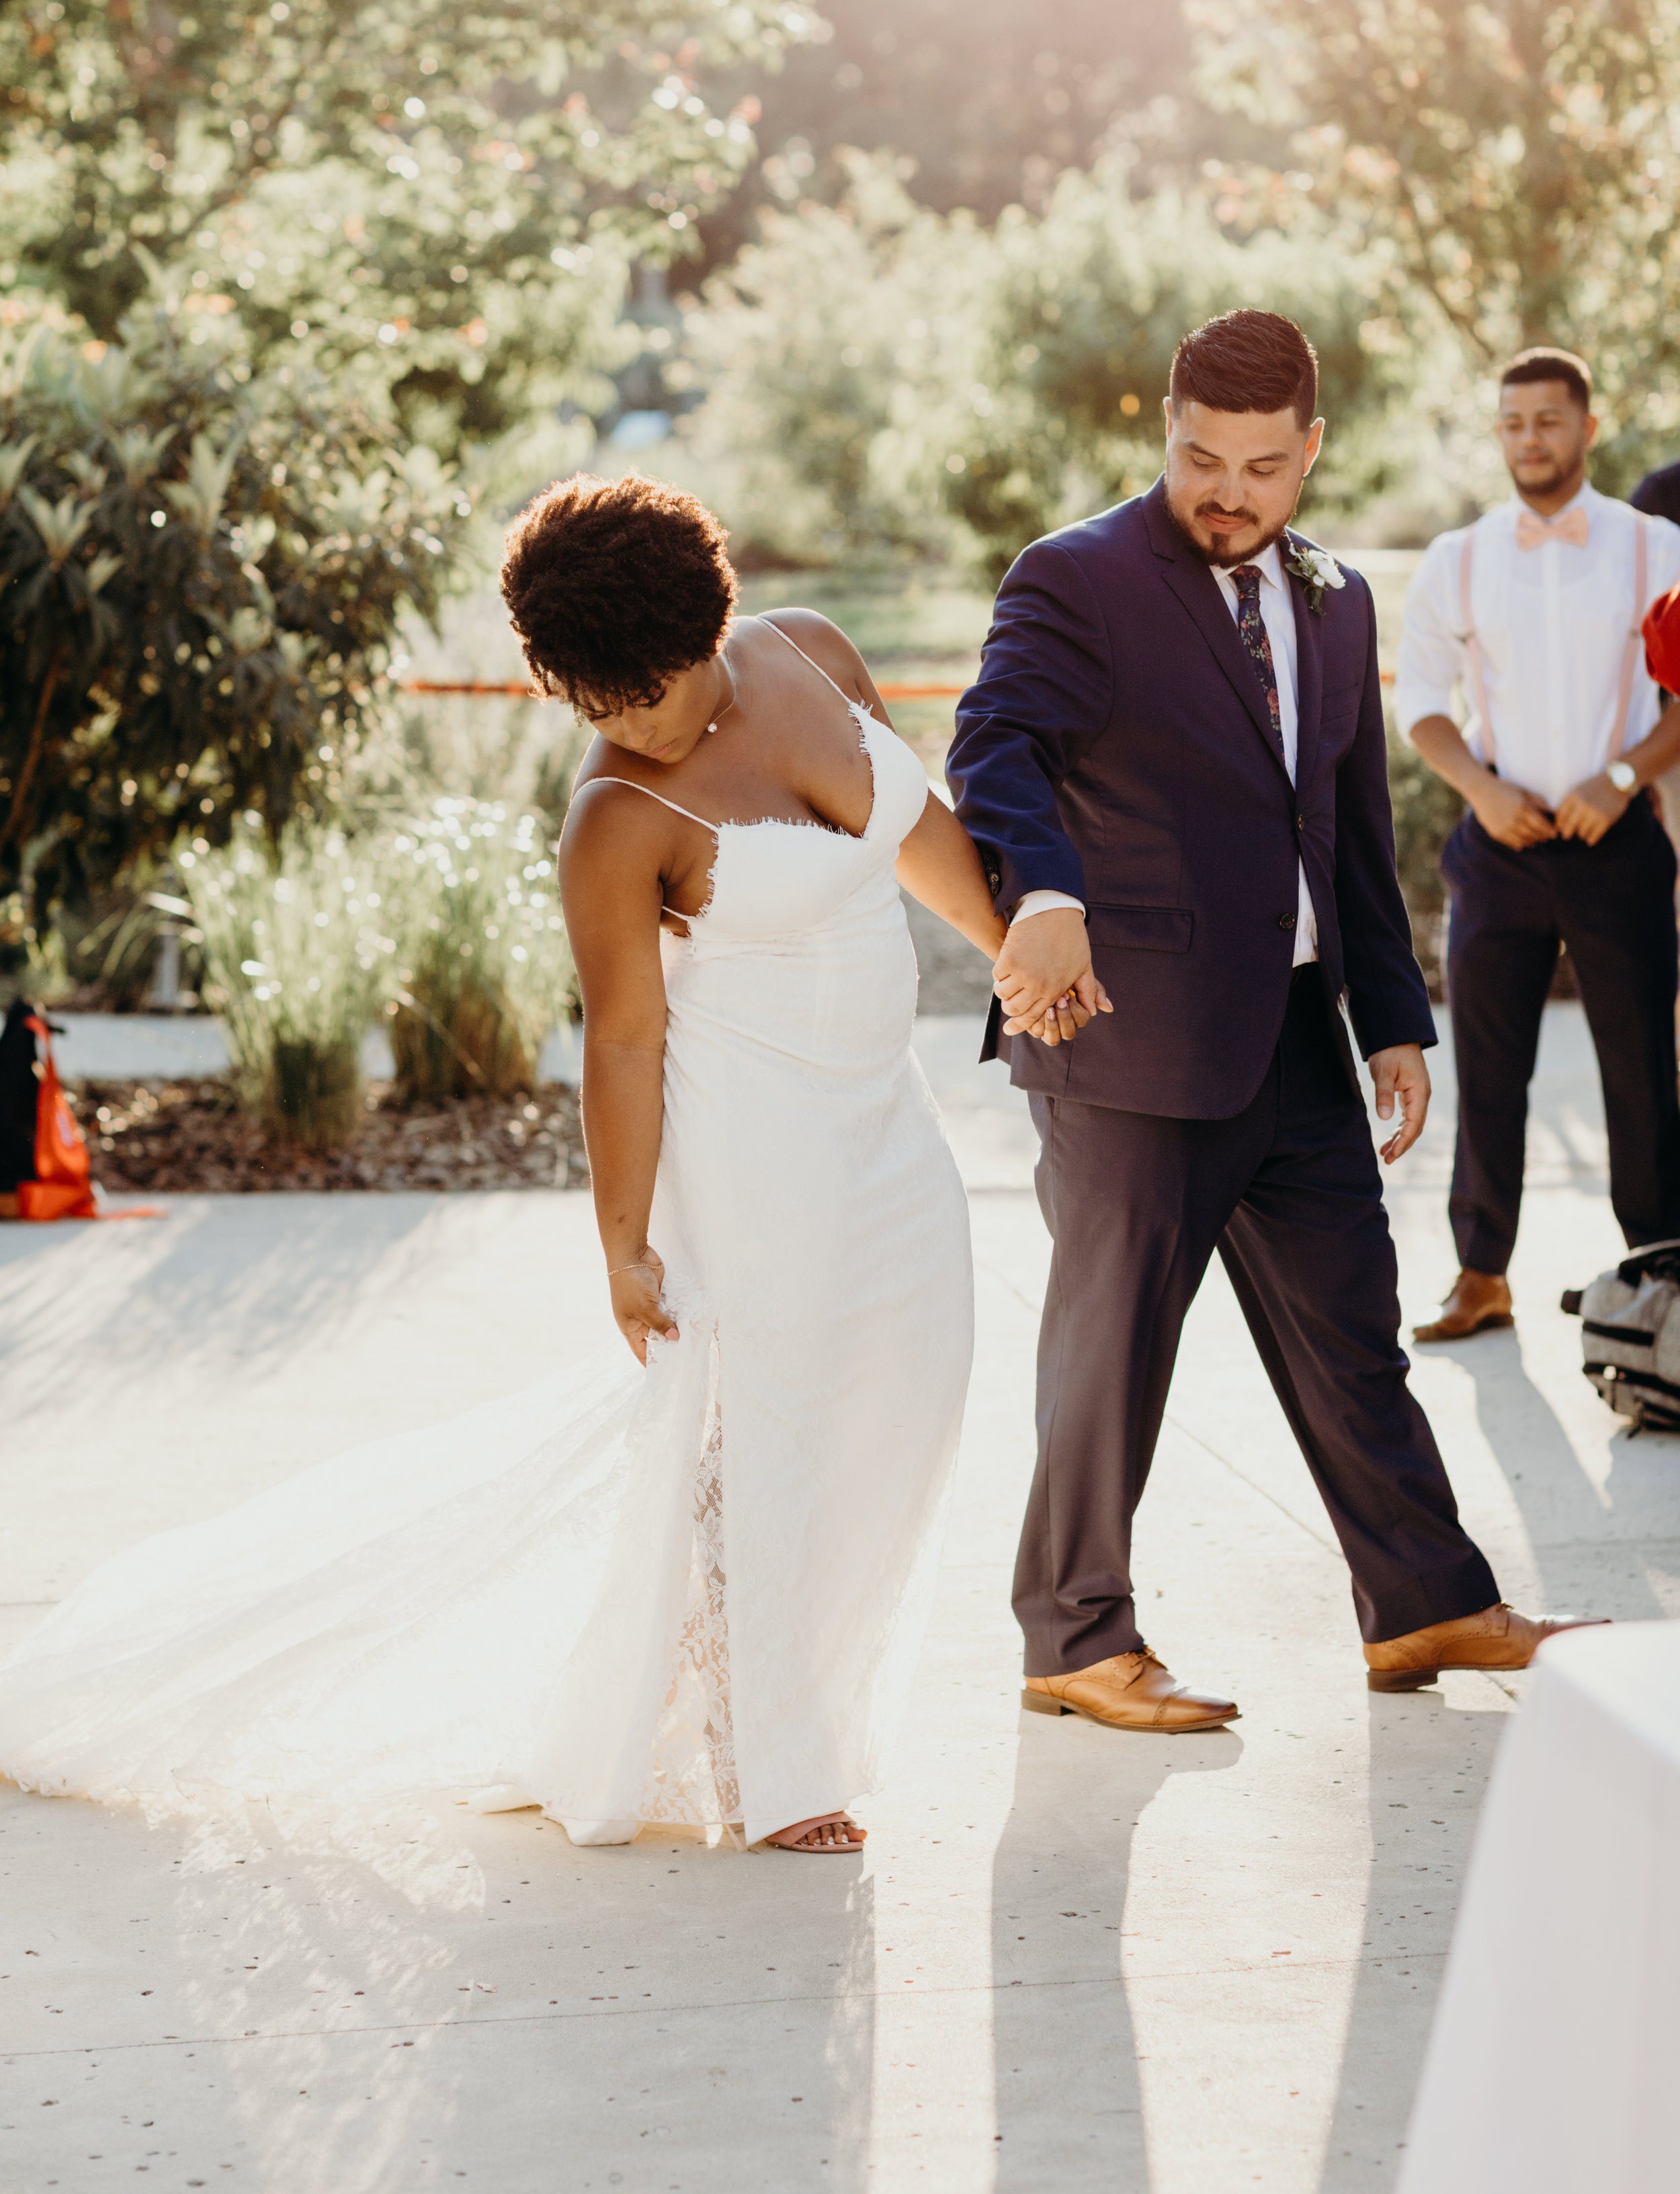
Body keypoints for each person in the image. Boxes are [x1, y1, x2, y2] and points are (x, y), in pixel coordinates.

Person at [0, 474, 1019, 1857]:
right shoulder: (614, 817)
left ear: (713, 625)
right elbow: (620, 1041)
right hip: (750, 1155)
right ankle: (773, 1757)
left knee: (901, 1405)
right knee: (768, 1433)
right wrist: (621, 1243)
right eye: (588, 700)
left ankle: (774, 1703)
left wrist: (1018, 949)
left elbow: (920, 839)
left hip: (884, 1130)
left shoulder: (812, 654)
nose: (617, 725)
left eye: (641, 692)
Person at [946, 308, 1597, 1731]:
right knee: (1110, 1347)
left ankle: (1422, 1604)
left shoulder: (1333, 595)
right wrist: (1038, 893)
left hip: (1297, 1035)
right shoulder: (1075, 578)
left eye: (1257, 464)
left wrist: (1390, 1014)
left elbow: (1346, 824)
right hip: (1125, 1033)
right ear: (1161, 435)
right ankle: (1071, 1637)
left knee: (1351, 1331)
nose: (1224, 492)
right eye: (1195, 458)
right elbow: (997, 744)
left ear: (1309, 453)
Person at [1397, 347, 1680, 1342]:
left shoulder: (1656, 546)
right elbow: (1423, 704)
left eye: (1549, 421)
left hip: (1618, 846)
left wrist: (1625, 774)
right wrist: (1480, 787)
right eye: (1513, 422)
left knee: (1642, 1067)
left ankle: (1660, 1272)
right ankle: (1482, 1274)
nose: (1530, 439)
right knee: (1488, 1062)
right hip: (1498, 847)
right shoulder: (1460, 557)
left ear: (1588, 428)